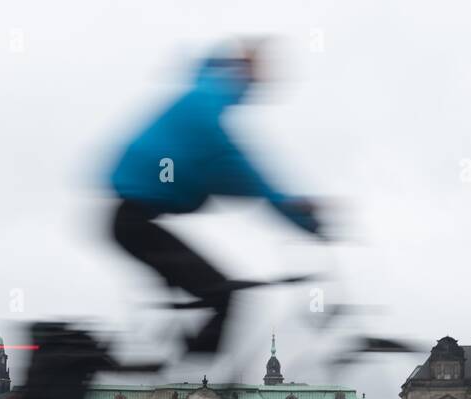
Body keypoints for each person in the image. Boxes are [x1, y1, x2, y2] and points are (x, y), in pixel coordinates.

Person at [108, 42, 322, 353]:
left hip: (133, 219)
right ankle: (190, 381)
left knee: (218, 289)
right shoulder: (204, 107)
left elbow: (236, 177)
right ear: (242, 71)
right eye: (257, 73)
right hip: (135, 222)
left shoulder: (202, 95)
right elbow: (244, 173)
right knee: (225, 294)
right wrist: (303, 217)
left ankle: (189, 366)